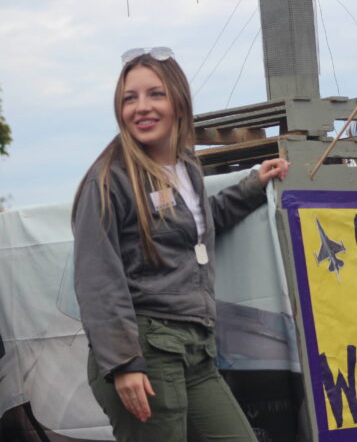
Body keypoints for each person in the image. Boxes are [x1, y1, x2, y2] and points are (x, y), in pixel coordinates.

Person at [72, 47, 290, 442]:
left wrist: (253, 186)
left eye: (155, 94)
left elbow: (199, 227)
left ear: (179, 102)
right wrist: (124, 363)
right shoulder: (108, 180)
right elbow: (97, 280)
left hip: (197, 351)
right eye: (129, 98)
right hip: (146, 352)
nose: (141, 107)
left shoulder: (187, 167)